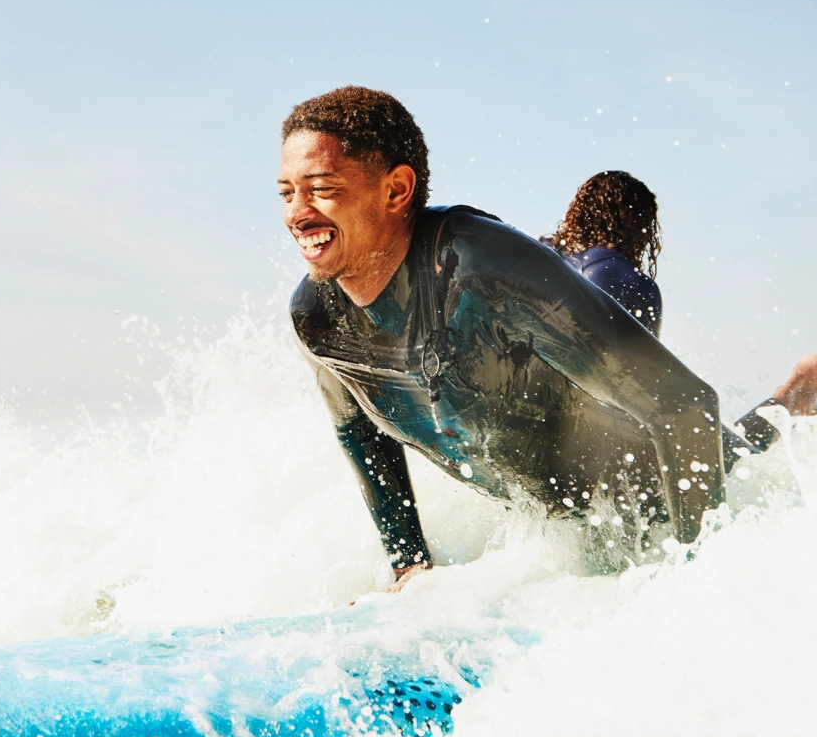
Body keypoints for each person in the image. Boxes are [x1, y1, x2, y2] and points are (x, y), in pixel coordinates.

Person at [278, 86, 734, 588]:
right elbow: (358, 431)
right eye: (286, 193)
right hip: (580, 532)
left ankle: (802, 394)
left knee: (752, 449)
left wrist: (699, 583)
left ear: (396, 190)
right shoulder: (318, 318)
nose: (296, 214)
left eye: (321, 188)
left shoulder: (484, 268)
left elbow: (686, 404)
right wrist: (409, 563)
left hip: (668, 494)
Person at [535, 170, 817, 453]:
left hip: (609, 449)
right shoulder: (626, 279)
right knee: (742, 445)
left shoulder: (543, 264)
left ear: (578, 214)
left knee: (738, 449)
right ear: (641, 229)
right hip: (640, 449)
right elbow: (642, 391)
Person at [541, 171, 665, 334]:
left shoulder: (543, 253)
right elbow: (646, 358)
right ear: (637, 225)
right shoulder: (637, 284)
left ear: (579, 213)